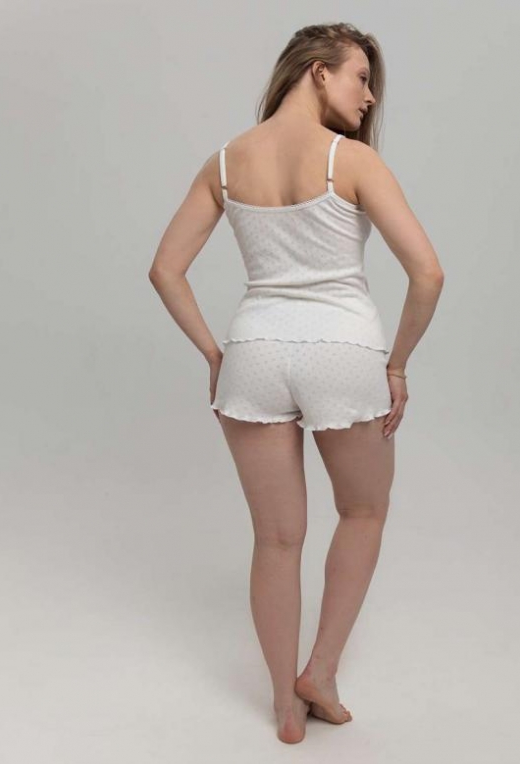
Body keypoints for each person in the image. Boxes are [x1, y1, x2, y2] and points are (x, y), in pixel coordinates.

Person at [149, 22, 444, 745]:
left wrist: (215, 354)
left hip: (254, 351)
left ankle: (285, 705)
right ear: (317, 71)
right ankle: (321, 674)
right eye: (360, 78)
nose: (369, 97)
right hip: (344, 350)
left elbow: (165, 269)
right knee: (364, 513)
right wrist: (397, 365)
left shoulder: (225, 163)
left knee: (276, 539)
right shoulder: (353, 161)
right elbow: (428, 274)